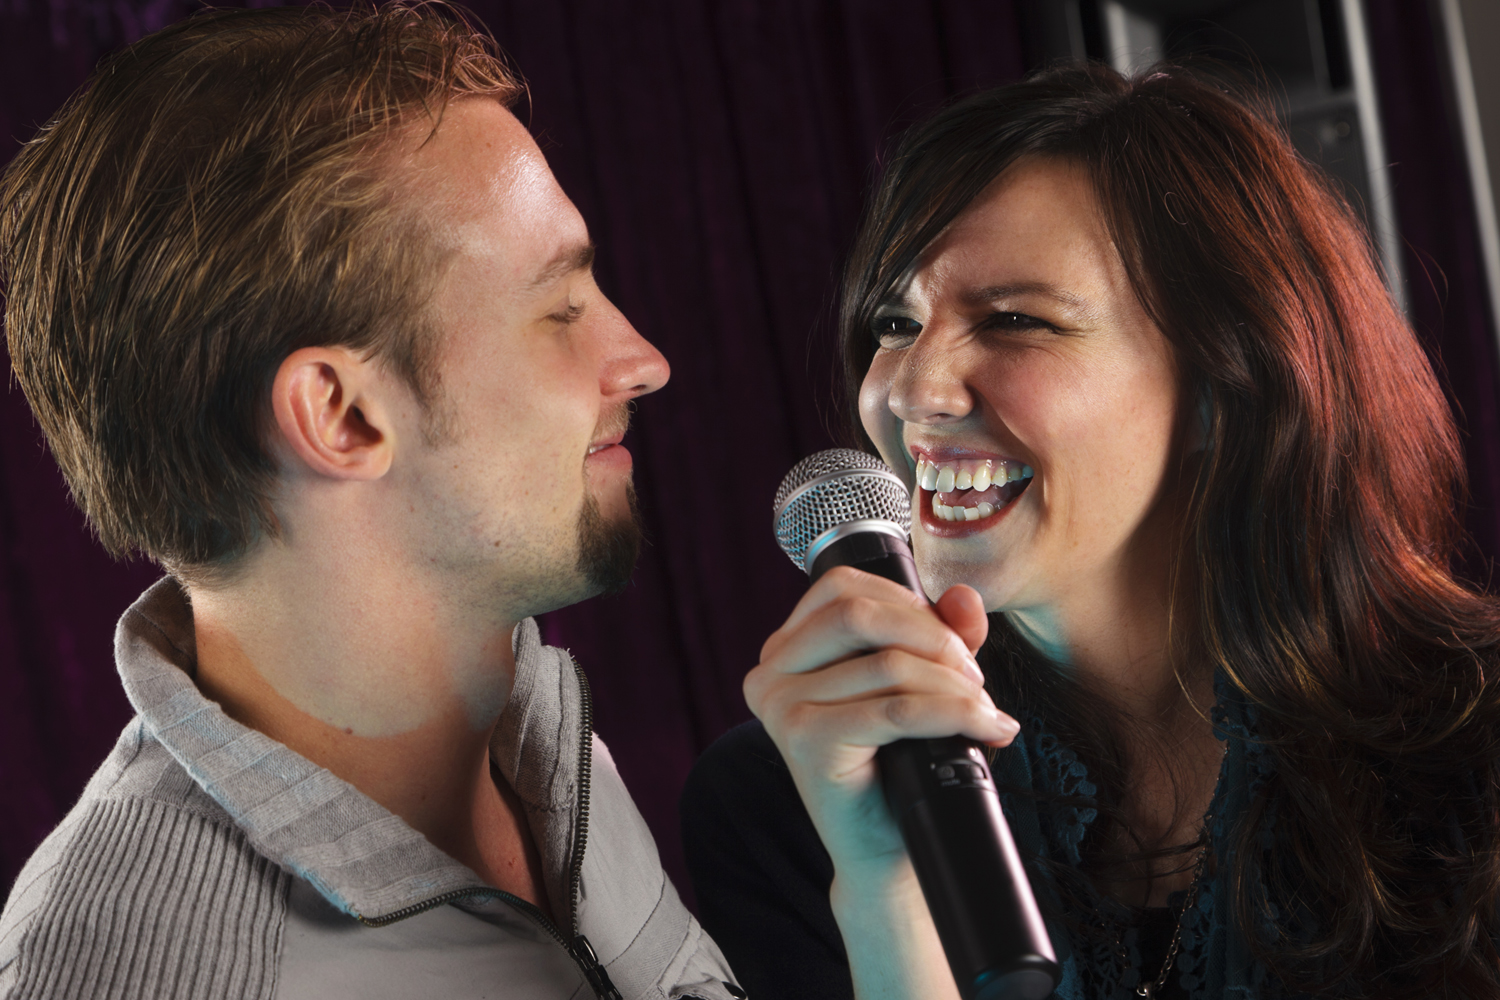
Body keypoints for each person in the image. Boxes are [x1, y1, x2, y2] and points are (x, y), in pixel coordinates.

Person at [682, 62, 1500, 1000]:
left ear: (1223, 386)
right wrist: (889, 891)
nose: (910, 391)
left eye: (1016, 319)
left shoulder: (1476, 750)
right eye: (897, 321)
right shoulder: (786, 803)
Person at [0, 5, 741, 999]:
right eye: (559, 309)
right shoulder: (130, 971)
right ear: (341, 415)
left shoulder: (548, 756)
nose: (642, 361)